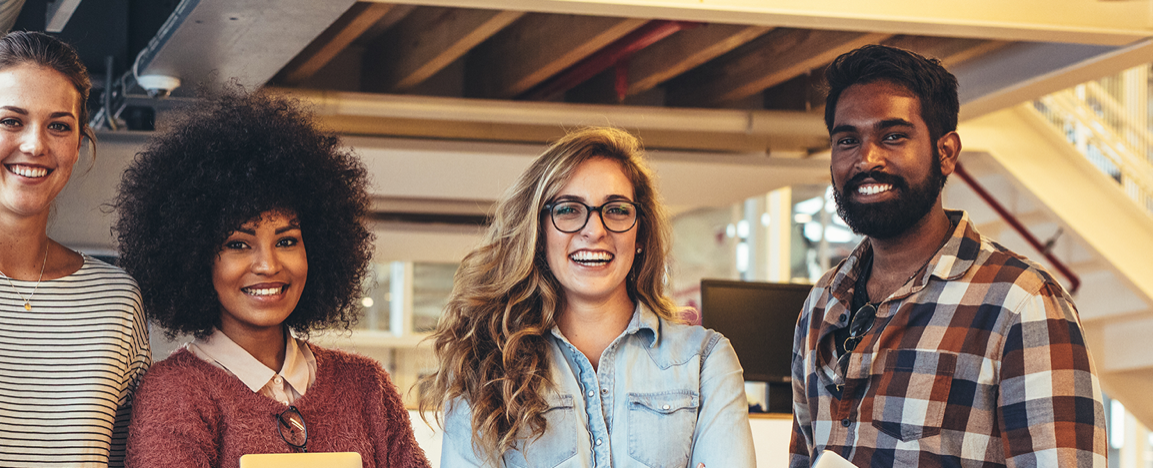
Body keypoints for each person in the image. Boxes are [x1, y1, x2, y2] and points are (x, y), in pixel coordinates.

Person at [789, 44, 1106, 467]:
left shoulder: (1021, 304)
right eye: (848, 140)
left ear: (946, 152)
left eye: (893, 136)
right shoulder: (822, 302)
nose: (866, 159)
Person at [117, 92, 428, 468]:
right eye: (238, 244)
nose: (268, 264)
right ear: (195, 257)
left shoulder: (366, 387)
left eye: (286, 241)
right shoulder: (176, 393)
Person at [420, 127, 754, 468]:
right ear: (539, 231)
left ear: (641, 233)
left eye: (617, 210)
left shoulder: (705, 362)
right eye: (568, 210)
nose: (595, 230)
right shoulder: (485, 363)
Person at [0, 31, 150, 468]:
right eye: (12, 121)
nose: (36, 144)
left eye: (58, 125)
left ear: (77, 146)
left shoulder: (117, 300)